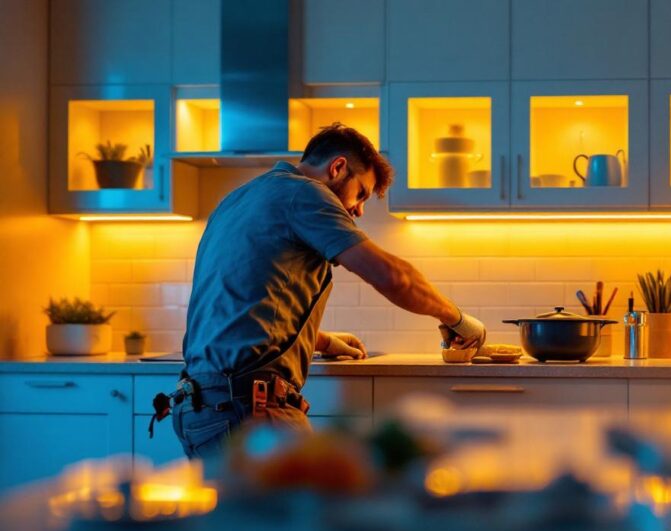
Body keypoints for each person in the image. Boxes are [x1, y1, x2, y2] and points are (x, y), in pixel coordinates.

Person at [152, 123, 486, 458]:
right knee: (308, 506)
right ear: (338, 167)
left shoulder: (239, 198)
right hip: (243, 408)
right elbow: (392, 277)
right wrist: (456, 319)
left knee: (253, 510)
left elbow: (243, 300)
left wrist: (322, 340)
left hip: (202, 407)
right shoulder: (305, 193)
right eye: (361, 194)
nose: (358, 210)